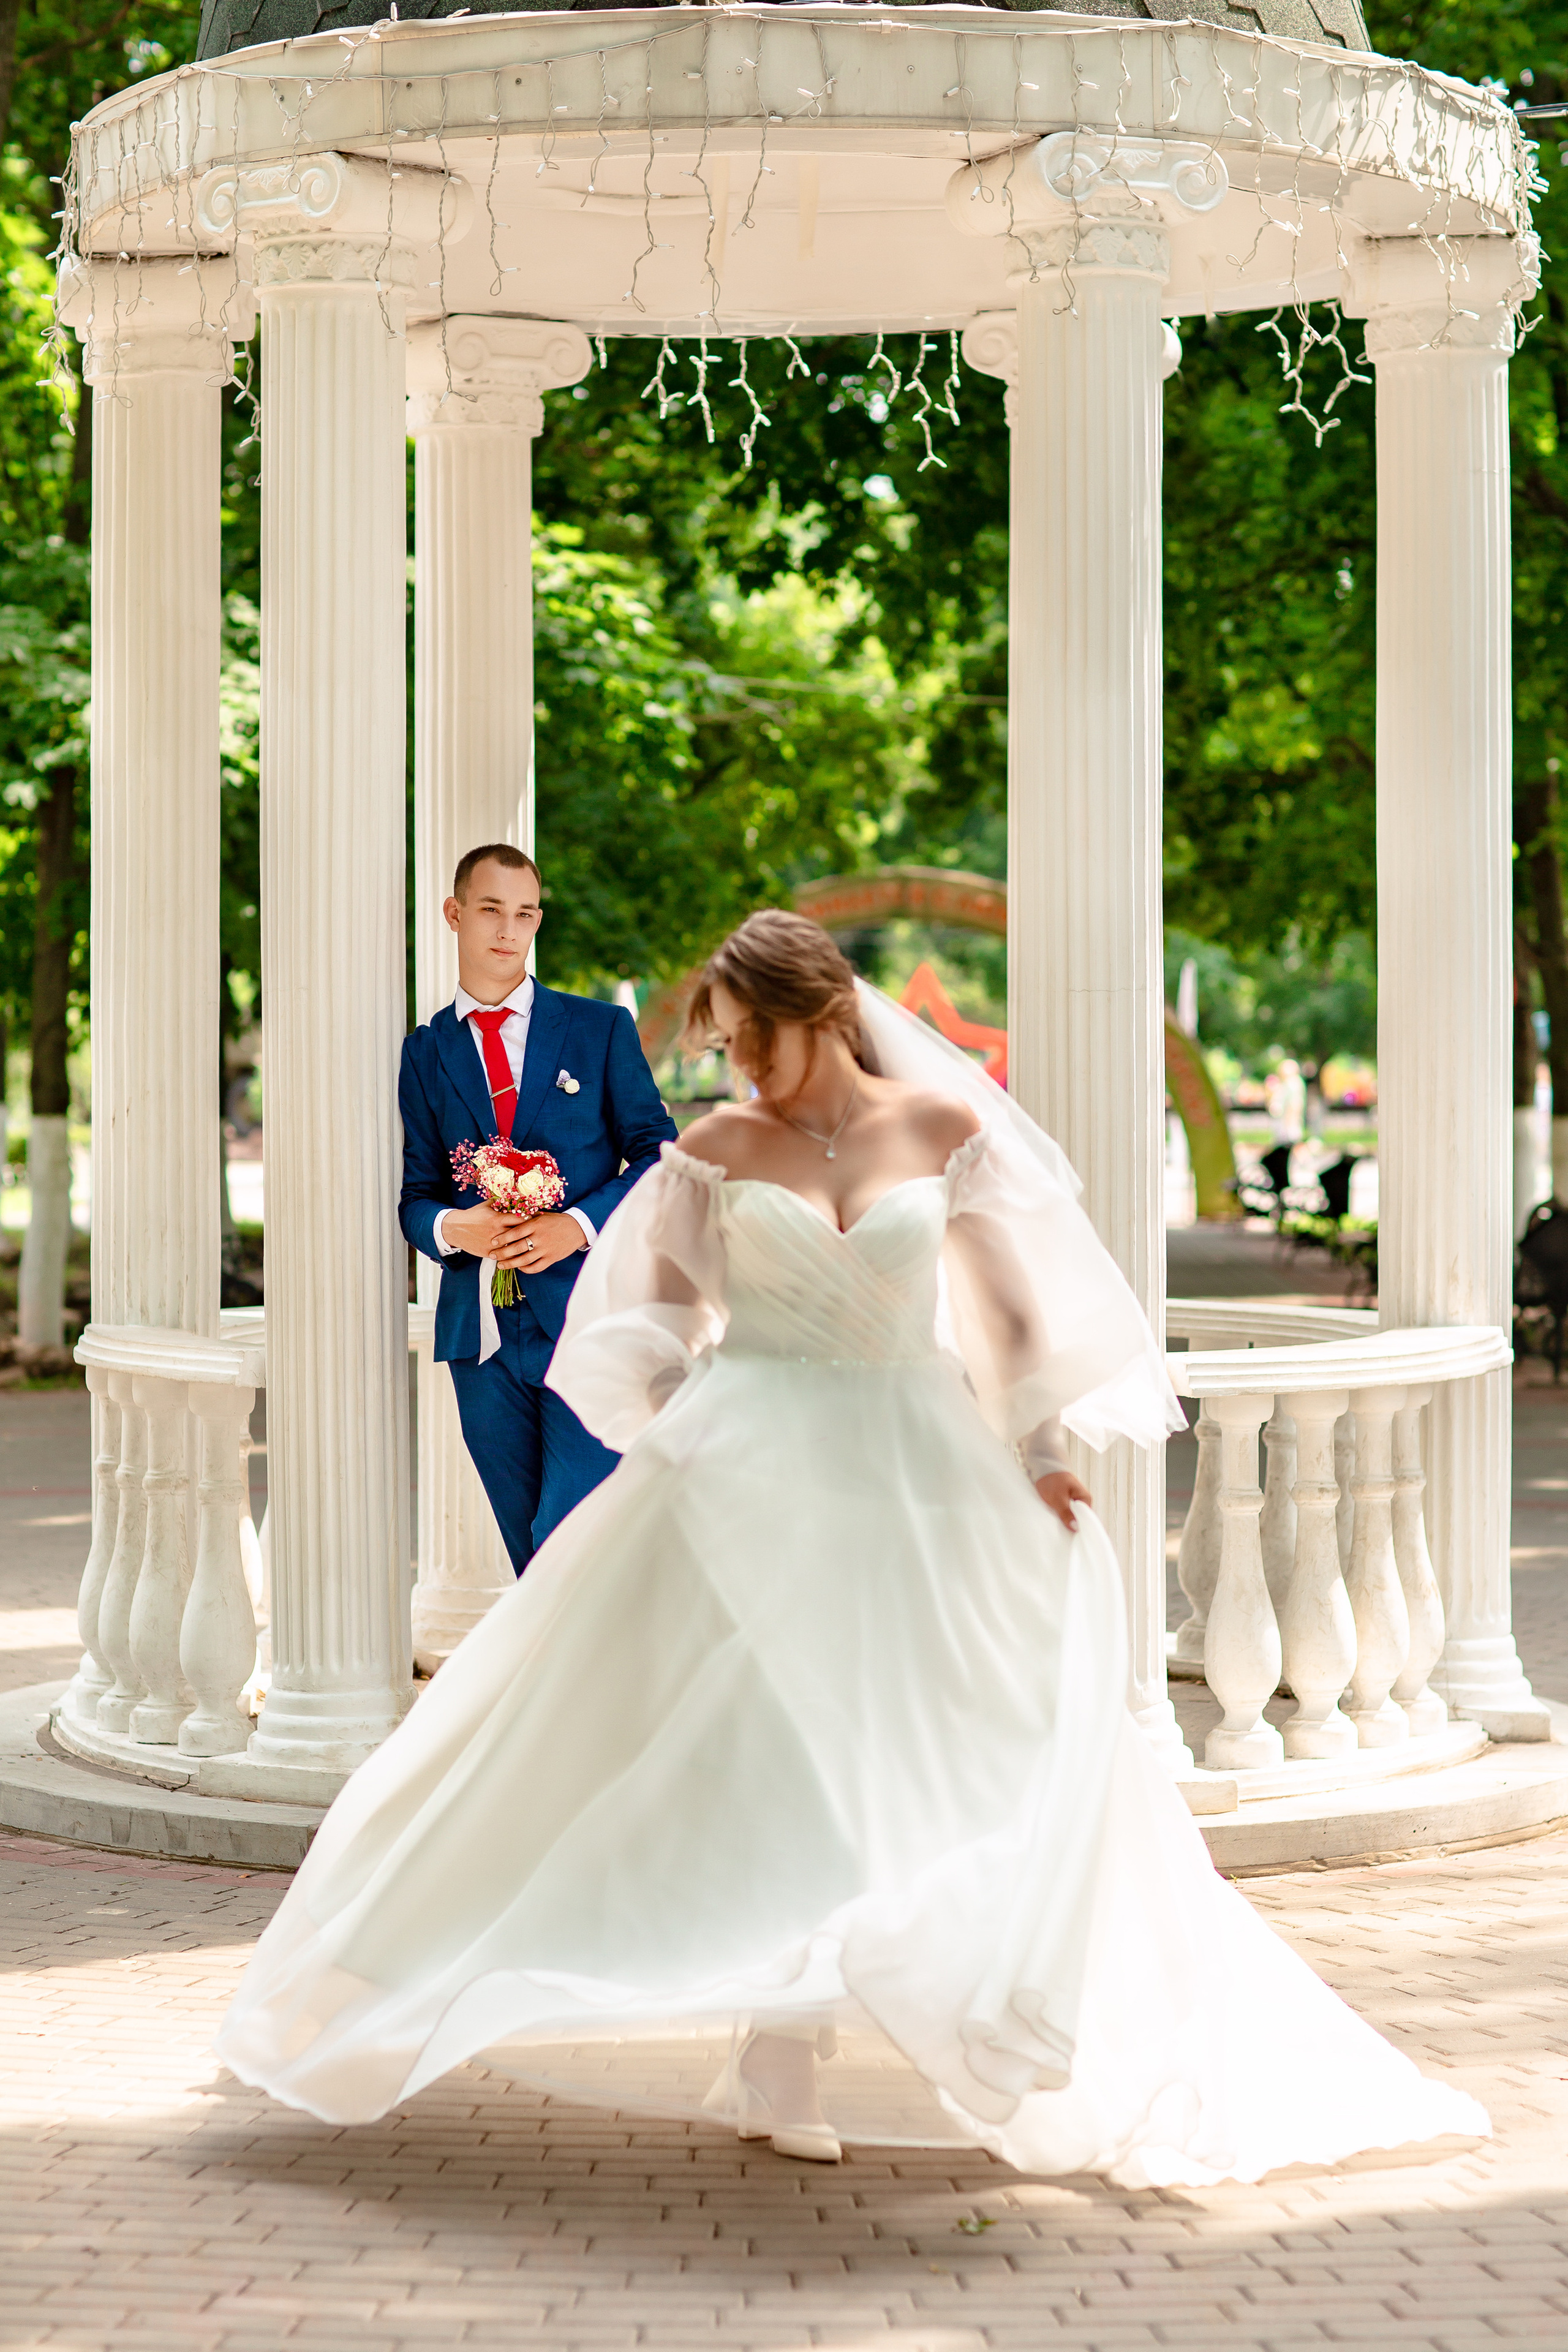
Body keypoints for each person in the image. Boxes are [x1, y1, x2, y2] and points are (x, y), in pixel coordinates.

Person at [218, 912, 1485, 2184]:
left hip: (913, 1460)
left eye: (751, 1039)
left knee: (931, 1736)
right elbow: (655, 1323)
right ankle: (767, 2050)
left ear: (819, 1013)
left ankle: (958, 1997)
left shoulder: (939, 1129)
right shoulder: (716, 1150)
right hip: (746, 1461)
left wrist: (1044, 1453)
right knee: (751, 1745)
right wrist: (678, 1423)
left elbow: (1004, 1319)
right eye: (725, 1045)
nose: (738, 1067)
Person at [398, 843, 676, 1574]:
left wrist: (575, 1226)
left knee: (569, 1536)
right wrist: (453, 1227)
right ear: (455, 914)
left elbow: (661, 1156)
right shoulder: (425, 1052)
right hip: (482, 1342)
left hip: (588, 1320)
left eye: (524, 914)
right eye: (490, 909)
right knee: (531, 1558)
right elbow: (416, 1196)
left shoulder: (598, 1029)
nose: (507, 929)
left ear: (538, 922)